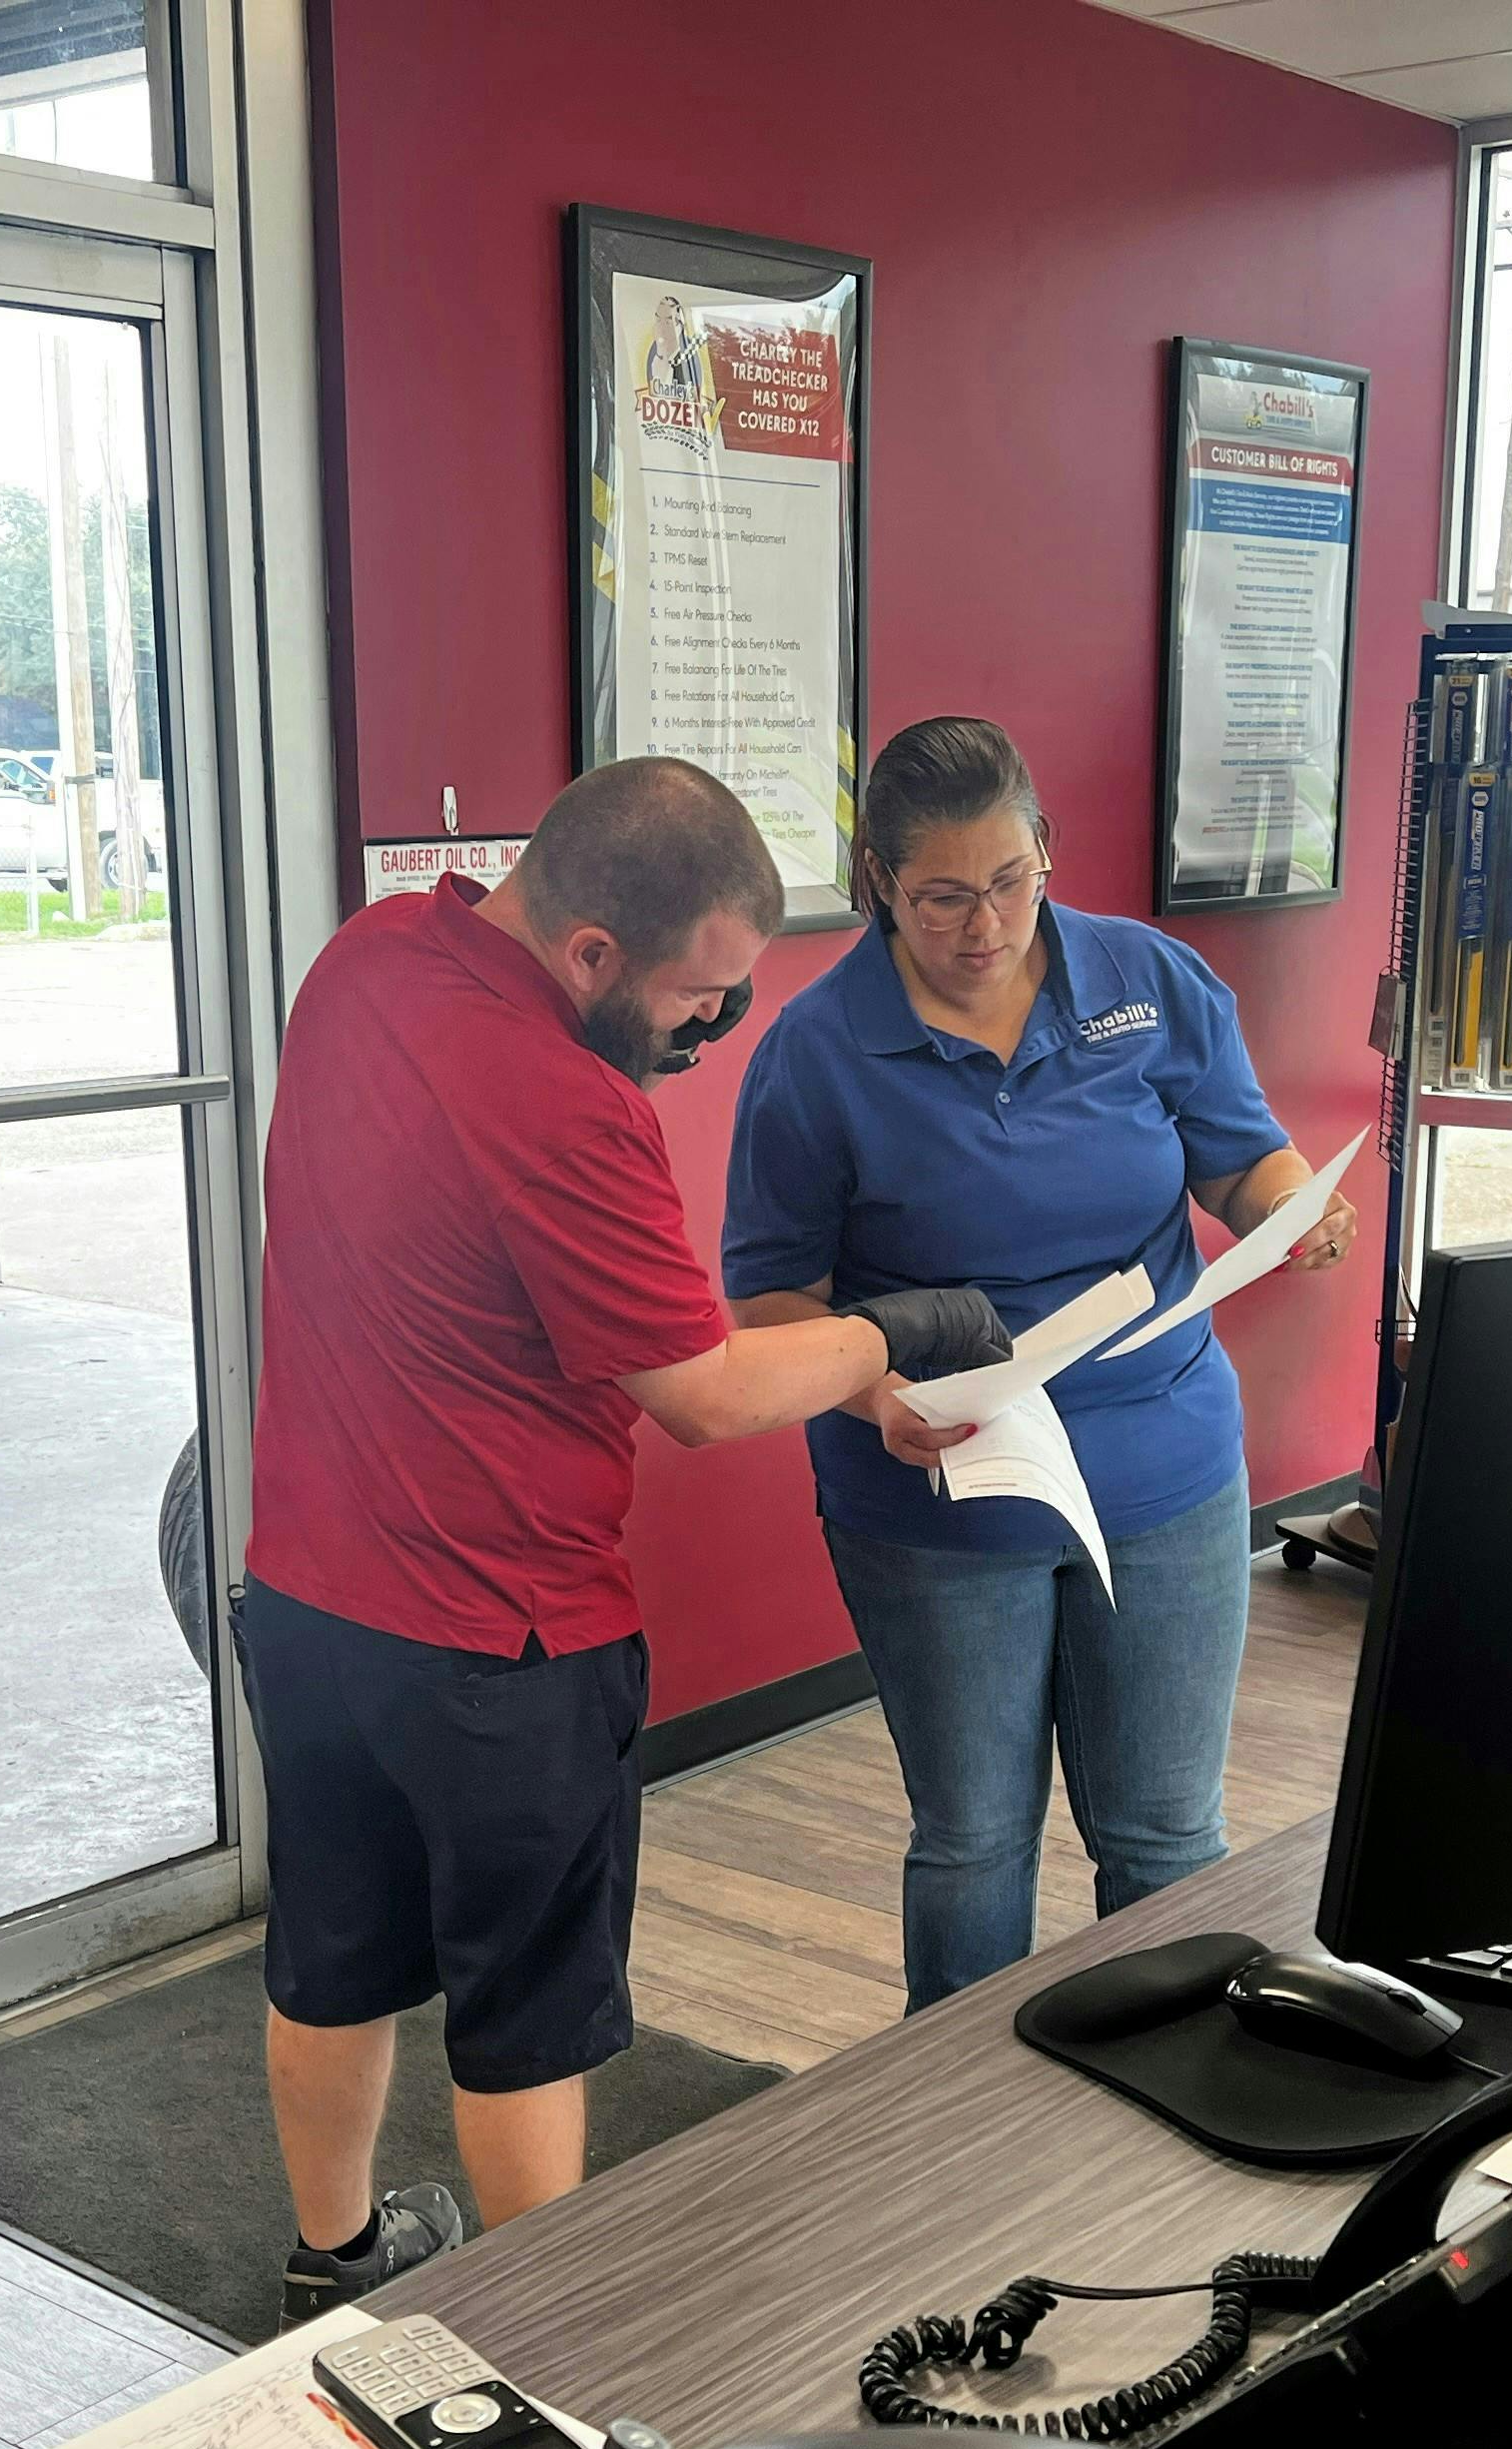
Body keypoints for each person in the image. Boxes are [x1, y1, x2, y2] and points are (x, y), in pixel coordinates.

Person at [240, 756, 1007, 2326]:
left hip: (310, 1598)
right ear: (592, 953)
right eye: (696, 999)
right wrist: (885, 1340)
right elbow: (709, 1396)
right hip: (506, 1636)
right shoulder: (572, 1107)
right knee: (528, 2009)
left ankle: (335, 2261)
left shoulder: (369, 955)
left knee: (331, 1952)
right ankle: (541, 2338)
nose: (709, 1033)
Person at [722, 715, 1357, 2012]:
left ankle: (1179, 2086)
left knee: (1167, 1836)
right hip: (941, 1484)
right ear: (877, 885)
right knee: (973, 1843)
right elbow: (773, 1296)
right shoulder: (816, 1052)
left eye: (1011, 881)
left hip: (1163, 1459)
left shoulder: (1149, 980)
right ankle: (958, 2136)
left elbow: (1238, 1153)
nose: (986, 924)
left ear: (1049, 853)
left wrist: (1292, 1207)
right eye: (944, 896)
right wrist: (868, 1391)